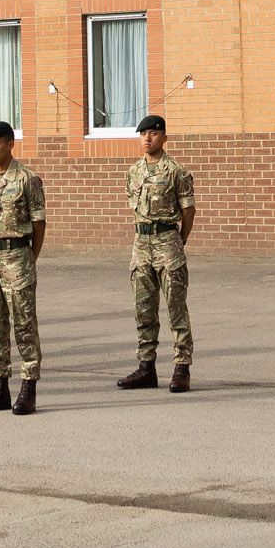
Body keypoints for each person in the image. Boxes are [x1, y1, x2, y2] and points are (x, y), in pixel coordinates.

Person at [115, 113, 200, 388]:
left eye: (152, 134)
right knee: (143, 309)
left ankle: (181, 367)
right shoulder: (133, 172)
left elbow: (188, 210)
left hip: (168, 244)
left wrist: (179, 241)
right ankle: (146, 367)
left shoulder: (176, 171)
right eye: (143, 134)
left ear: (164, 137)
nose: (147, 139)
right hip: (141, 246)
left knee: (176, 307)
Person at [0, 123, 47, 415]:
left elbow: (39, 223)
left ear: (11, 144)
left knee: (24, 325)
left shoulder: (27, 179)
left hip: (18, 257)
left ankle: (29, 387)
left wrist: (29, 258)